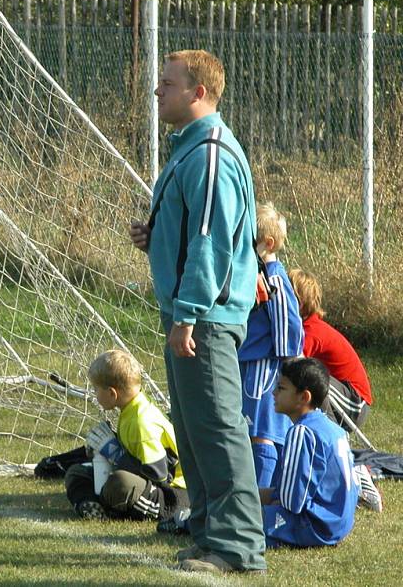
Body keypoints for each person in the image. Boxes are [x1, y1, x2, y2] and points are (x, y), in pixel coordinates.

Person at [129, 50, 266, 574]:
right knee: (193, 430)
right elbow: (194, 232)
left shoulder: (209, 152)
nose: (157, 91)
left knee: (217, 428)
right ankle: (209, 533)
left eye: (167, 83)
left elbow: (212, 245)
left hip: (204, 318)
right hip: (192, 313)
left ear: (198, 93)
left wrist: (187, 312)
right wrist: (155, 236)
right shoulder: (189, 149)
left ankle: (237, 546)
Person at [64, 350, 188, 526]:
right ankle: (90, 505)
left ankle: (108, 504)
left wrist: (116, 454)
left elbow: (160, 476)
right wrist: (103, 450)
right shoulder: (130, 408)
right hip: (149, 483)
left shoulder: (142, 421)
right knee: (77, 472)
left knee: (121, 482)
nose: (94, 394)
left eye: (96, 389)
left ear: (112, 393)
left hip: (172, 494)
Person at [261, 357, 359, 547]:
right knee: (246, 500)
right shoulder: (335, 430)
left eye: (281, 388)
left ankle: (187, 520)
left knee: (235, 517)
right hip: (338, 525)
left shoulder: (302, 431)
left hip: (314, 526)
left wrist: (269, 503)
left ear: (304, 397)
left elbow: (290, 503)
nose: (273, 393)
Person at [238, 202, 303, 488]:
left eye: (249, 242)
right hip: (250, 364)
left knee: (262, 432)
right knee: (253, 432)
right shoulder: (257, 275)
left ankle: (261, 505)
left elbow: (289, 326)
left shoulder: (274, 278)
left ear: (268, 243)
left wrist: (285, 365)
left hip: (264, 369)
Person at [288, 268, 372, 430]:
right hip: (345, 395)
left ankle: (329, 430)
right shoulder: (306, 327)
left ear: (300, 303)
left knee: (309, 376)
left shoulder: (312, 331)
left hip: (356, 404)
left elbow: (292, 363)